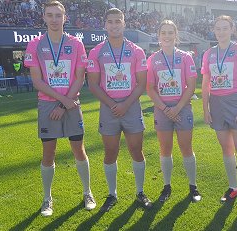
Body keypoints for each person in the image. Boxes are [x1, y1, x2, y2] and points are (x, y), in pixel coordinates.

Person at [23, 1, 96, 217]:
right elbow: (37, 81)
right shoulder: (35, 45)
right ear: (44, 18)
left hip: (72, 103)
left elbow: (79, 77)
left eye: (58, 15)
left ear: (65, 18)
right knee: (48, 153)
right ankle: (47, 198)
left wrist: (65, 104)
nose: (54, 19)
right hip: (49, 105)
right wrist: (62, 102)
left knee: (79, 150)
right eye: (50, 15)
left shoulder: (76, 44)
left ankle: (87, 192)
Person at [87, 8, 152, 212]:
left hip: (131, 107)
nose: (114, 25)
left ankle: (140, 192)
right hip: (108, 109)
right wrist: (113, 104)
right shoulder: (96, 51)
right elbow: (93, 84)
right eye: (110, 22)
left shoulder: (136, 51)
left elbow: (142, 84)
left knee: (136, 150)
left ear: (124, 23)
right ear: (105, 25)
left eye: (118, 21)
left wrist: (125, 104)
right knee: (110, 152)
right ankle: (112, 194)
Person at [201, 15, 237, 213]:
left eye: (225, 28)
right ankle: (234, 188)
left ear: (232, 29)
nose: (221, 32)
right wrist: (205, 108)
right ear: (214, 30)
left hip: (236, 103)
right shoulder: (208, 53)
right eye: (218, 28)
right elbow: (206, 83)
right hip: (217, 104)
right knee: (226, 149)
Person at [146, 19, 201, 203]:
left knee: (186, 148)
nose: (167, 36)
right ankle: (166, 186)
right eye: (164, 33)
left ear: (176, 35)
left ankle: (193, 186)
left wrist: (177, 108)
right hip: (162, 111)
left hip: (182, 109)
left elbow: (191, 86)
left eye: (171, 32)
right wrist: (164, 108)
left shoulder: (185, 57)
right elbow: (150, 88)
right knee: (165, 149)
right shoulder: (153, 59)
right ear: (158, 36)